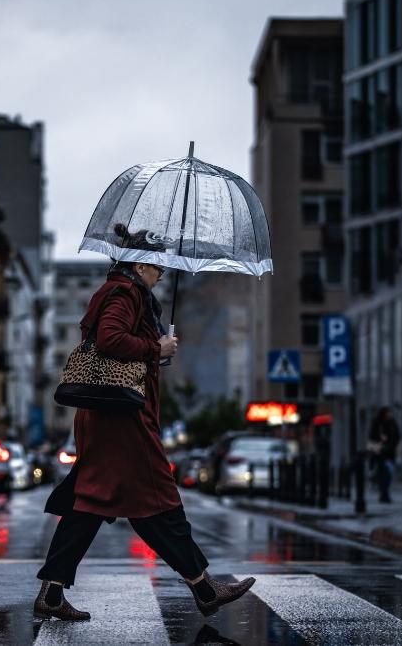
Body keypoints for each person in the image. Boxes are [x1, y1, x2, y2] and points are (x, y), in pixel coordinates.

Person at [34, 223, 255, 621]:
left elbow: (120, 346)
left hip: (106, 416)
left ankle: (52, 593)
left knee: (92, 500)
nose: (161, 274)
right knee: (159, 497)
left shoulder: (123, 291)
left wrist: (154, 353)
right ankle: (203, 586)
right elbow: (110, 340)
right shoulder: (124, 293)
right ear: (140, 265)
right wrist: (157, 346)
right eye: (157, 268)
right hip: (122, 420)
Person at [369, 406, 401, 503]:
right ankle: (384, 494)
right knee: (383, 474)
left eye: (390, 413)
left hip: (390, 453)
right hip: (380, 453)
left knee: (388, 474)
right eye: (387, 413)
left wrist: (392, 445)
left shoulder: (392, 423)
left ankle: (384, 493)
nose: (389, 415)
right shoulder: (377, 423)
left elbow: (397, 436)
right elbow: (372, 437)